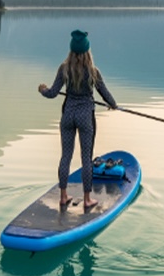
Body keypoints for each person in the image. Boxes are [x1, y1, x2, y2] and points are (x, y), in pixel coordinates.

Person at [39, 29, 116, 214]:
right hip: (85, 117)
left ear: (71, 50)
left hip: (68, 116)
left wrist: (42, 89)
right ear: (87, 51)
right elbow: (104, 93)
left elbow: (52, 93)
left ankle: (63, 196)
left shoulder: (63, 69)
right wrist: (113, 104)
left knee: (65, 156)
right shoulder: (93, 71)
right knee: (86, 159)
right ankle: (88, 199)